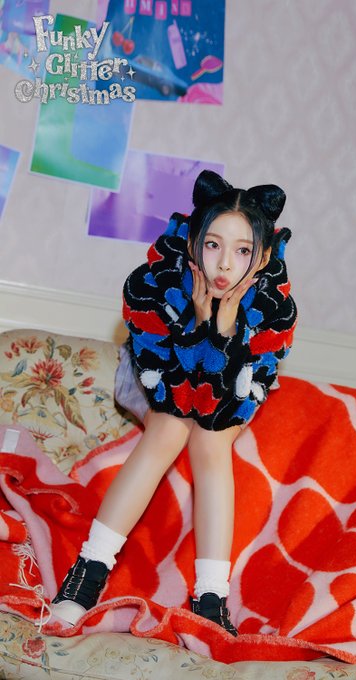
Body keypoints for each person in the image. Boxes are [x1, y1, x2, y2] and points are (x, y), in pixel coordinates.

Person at [51, 170, 298, 636]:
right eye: (213, 245)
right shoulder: (159, 281)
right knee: (170, 428)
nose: (224, 264)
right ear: (191, 241)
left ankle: (211, 599)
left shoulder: (271, 305)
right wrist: (198, 322)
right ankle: (87, 575)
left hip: (229, 391)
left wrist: (223, 330)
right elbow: (174, 392)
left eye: (242, 250)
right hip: (156, 378)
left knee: (210, 443)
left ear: (264, 256)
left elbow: (225, 399)